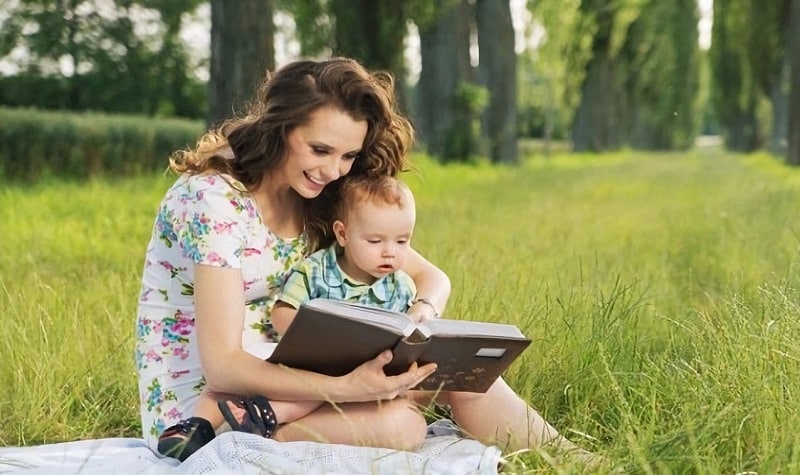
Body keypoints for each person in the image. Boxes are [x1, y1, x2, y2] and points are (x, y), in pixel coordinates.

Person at [135, 57, 595, 466]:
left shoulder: (319, 195)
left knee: (460, 375)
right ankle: (249, 436)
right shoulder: (213, 200)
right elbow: (223, 367)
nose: (334, 170)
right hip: (204, 407)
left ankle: (576, 461)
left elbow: (431, 277)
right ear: (279, 128)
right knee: (402, 428)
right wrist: (348, 390)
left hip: (296, 374)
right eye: (320, 150)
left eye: (348, 155)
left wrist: (421, 318)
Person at [157, 173, 423, 460]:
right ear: (343, 234)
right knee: (254, 383)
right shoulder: (317, 270)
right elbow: (282, 312)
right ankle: (197, 427)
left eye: (402, 242)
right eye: (375, 241)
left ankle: (260, 417)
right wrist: (318, 340)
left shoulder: (402, 285)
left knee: (324, 396)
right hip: (312, 359)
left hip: (360, 370)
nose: (390, 253)